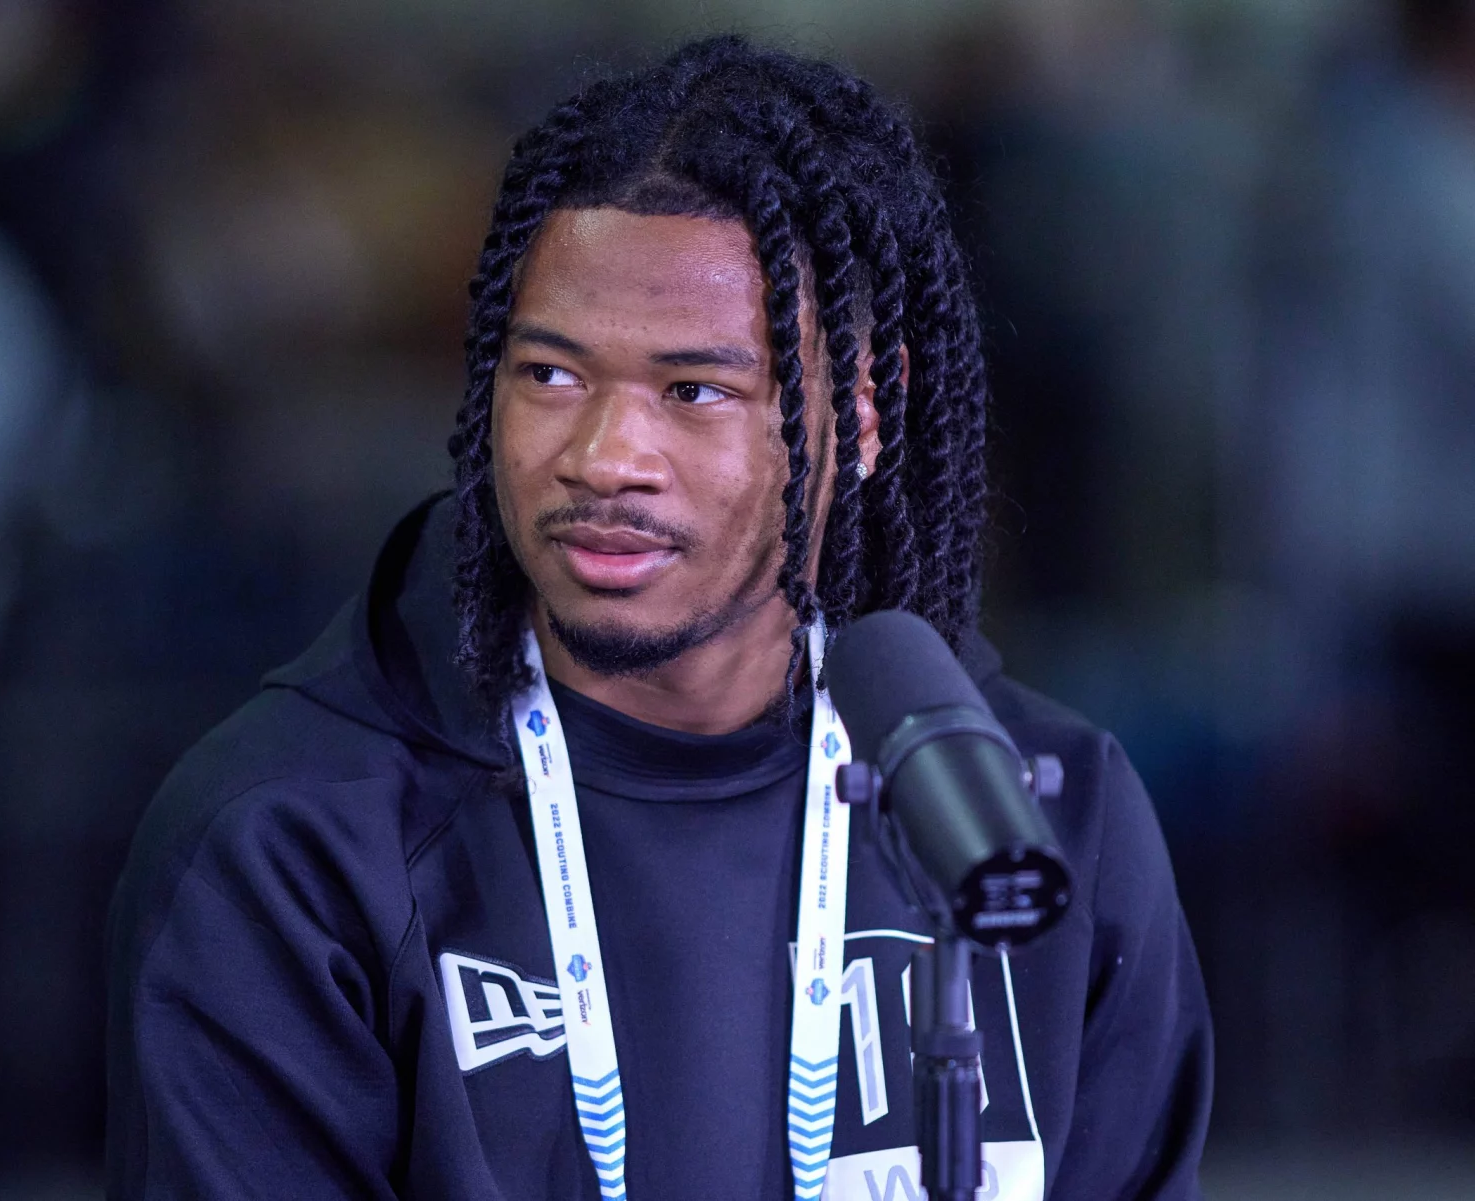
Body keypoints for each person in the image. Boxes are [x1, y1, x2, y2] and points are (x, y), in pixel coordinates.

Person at [106, 37, 1212, 1201]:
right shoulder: (289, 843)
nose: (603, 457)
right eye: (552, 376)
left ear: (867, 414)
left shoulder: (1040, 822)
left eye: (695, 391)